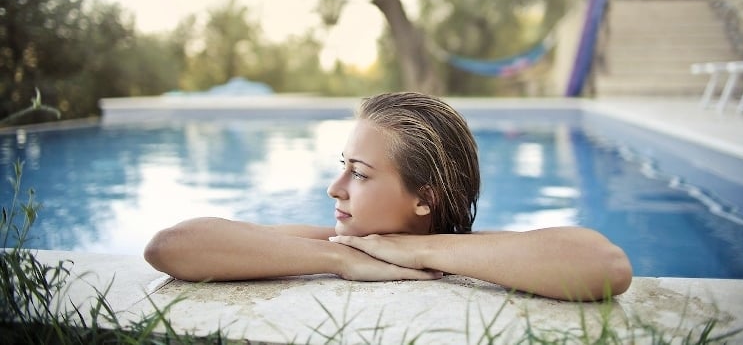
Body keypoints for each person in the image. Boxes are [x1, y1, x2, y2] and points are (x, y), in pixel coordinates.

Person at [144, 92, 632, 301]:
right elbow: (170, 246)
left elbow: (607, 266)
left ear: (424, 198)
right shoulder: (335, 246)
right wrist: (341, 262)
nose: (335, 188)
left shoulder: (485, 252)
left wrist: (418, 249)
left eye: (358, 173)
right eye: (343, 167)